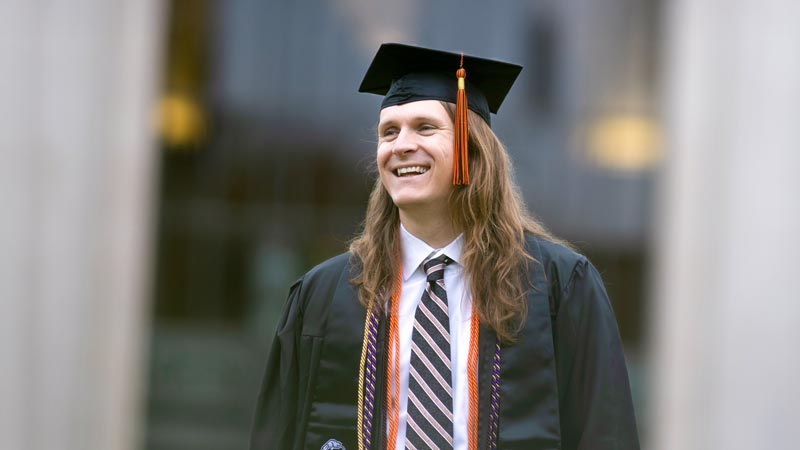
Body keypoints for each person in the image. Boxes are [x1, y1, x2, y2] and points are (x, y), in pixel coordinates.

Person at [250, 43, 639, 450]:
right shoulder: (324, 295)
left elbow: (605, 434)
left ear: (471, 148)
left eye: (425, 127)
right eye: (389, 132)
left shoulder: (558, 286)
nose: (401, 145)